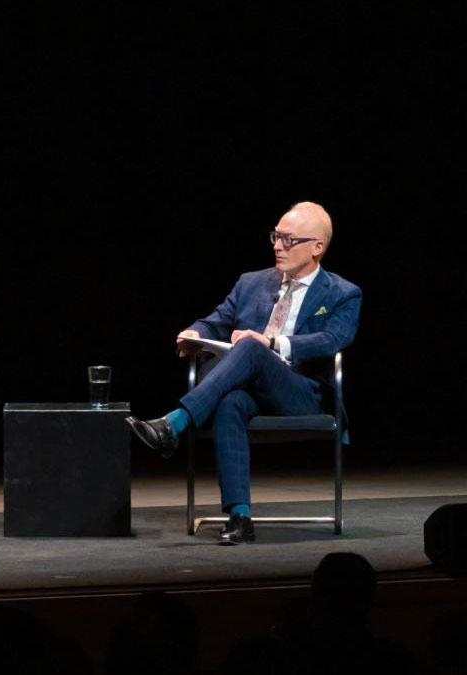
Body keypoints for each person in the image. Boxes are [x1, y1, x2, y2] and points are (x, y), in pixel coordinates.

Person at [126, 202, 361, 545]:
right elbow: (215, 321)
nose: (277, 246)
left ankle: (175, 422)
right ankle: (240, 517)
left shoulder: (343, 292)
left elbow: (333, 339)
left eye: (288, 239)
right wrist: (194, 332)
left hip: (301, 393)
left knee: (251, 346)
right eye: (275, 236)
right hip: (250, 390)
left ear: (317, 247)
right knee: (230, 402)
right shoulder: (251, 283)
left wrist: (271, 342)